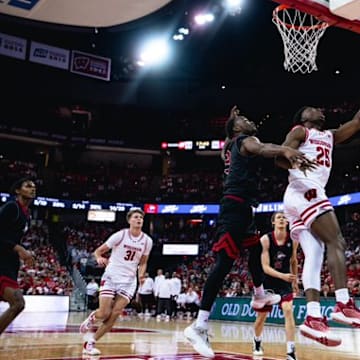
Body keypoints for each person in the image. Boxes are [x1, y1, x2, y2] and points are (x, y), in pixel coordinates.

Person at [184, 106, 315, 358]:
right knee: (223, 264)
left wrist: (232, 119)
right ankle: (199, 325)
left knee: (255, 247)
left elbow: (229, 139)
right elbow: (264, 149)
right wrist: (287, 149)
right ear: (236, 129)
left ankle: (259, 296)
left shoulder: (230, 144)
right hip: (235, 206)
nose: (251, 120)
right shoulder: (246, 140)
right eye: (244, 120)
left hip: (242, 208)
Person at [276, 106, 360, 346]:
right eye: (313, 109)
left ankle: (313, 316)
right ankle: (343, 303)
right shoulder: (301, 131)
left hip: (297, 197)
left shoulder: (330, 135)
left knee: (315, 253)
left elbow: (355, 123)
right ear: (303, 117)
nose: (320, 110)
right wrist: (293, 159)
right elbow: (280, 156)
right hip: (305, 188)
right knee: (336, 241)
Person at [79, 208, 153, 356]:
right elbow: (98, 251)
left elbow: (143, 262)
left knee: (114, 314)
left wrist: (141, 276)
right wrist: (99, 258)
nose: (139, 220)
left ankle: (91, 342)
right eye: (136, 217)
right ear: (129, 220)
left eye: (141, 218)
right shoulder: (120, 235)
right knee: (104, 312)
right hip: (112, 276)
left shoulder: (147, 241)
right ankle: (93, 317)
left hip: (129, 281)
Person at [252, 211, 298, 360]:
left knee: (288, 309)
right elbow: (265, 267)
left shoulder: (293, 239)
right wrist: (283, 275)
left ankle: (291, 351)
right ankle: (257, 341)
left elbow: (293, 261)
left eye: (284, 218)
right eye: (279, 217)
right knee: (262, 317)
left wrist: (295, 280)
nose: (282, 219)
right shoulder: (266, 239)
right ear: (273, 222)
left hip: (285, 282)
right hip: (269, 281)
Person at [0, 177, 35, 335]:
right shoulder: (11, 207)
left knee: (17, 304)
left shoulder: (27, 214)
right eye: (28, 186)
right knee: (18, 303)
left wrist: (24, 251)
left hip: (9, 262)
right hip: (2, 262)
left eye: (34, 186)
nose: (33, 188)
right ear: (17, 190)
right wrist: (18, 248)